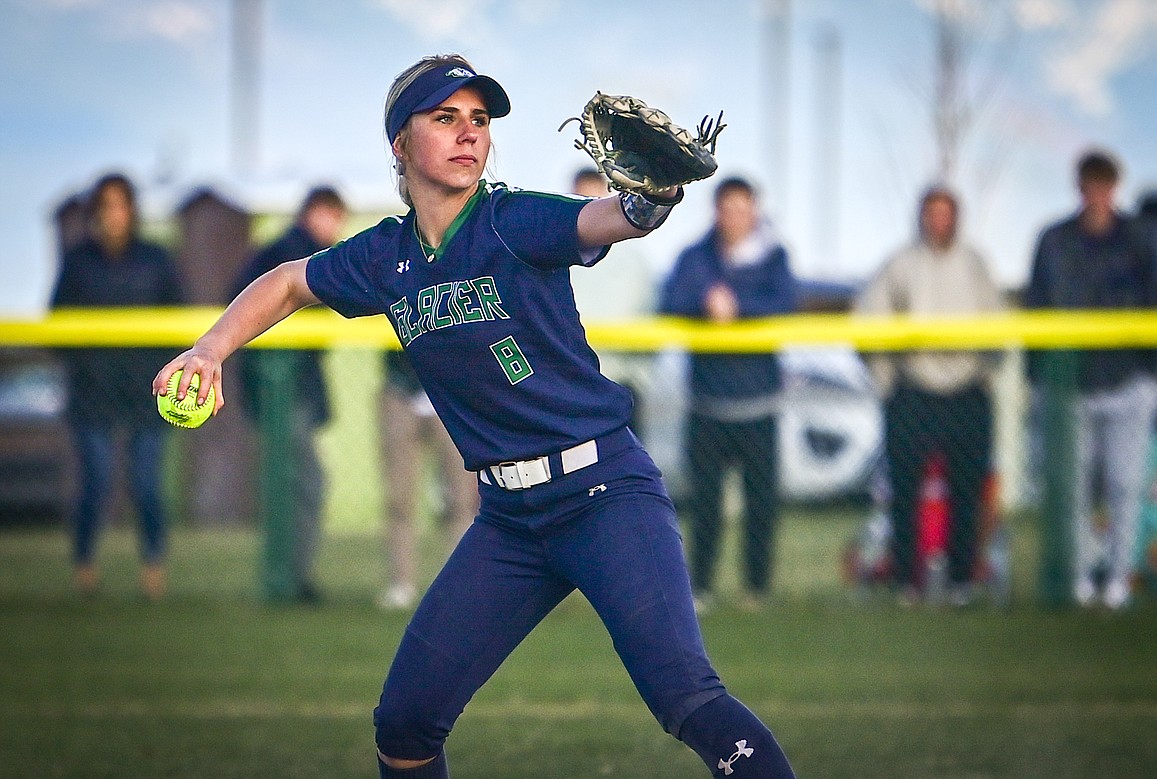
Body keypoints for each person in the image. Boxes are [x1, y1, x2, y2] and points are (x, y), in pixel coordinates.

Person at [154, 54, 796, 779]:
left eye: (480, 120)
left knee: (686, 697)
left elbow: (612, 217)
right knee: (404, 723)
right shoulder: (386, 257)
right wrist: (210, 348)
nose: (469, 134)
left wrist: (656, 197)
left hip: (604, 493)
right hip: (510, 520)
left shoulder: (514, 218)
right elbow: (288, 280)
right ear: (400, 145)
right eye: (445, 118)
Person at [1024, 148, 1157, 610]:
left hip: (1129, 380)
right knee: (1075, 487)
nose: (1098, 196)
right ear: (1079, 188)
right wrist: (1037, 376)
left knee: (1126, 485)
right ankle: (1082, 577)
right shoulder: (1055, 240)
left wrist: (1155, 376)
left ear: (1115, 188)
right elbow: (1037, 307)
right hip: (1072, 384)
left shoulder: (1141, 238)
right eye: (1090, 187)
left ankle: (1120, 579)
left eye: (1105, 187)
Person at [853, 185, 1004, 607]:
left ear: (957, 217)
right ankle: (906, 583)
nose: (938, 220)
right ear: (920, 216)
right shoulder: (900, 263)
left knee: (968, 492)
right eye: (931, 212)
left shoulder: (976, 264)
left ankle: (961, 583)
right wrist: (886, 381)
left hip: (966, 392)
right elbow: (868, 321)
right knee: (903, 492)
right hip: (913, 391)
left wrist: (984, 375)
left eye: (946, 212)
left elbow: (998, 325)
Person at [659, 177, 797, 611]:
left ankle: (757, 589)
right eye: (728, 207)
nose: (735, 216)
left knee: (761, 504)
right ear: (715, 211)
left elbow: (786, 301)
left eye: (744, 208)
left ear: (755, 211)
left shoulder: (774, 257)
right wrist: (707, 301)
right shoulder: (695, 257)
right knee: (705, 506)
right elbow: (670, 299)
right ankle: (699, 588)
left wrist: (737, 306)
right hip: (707, 403)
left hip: (759, 403)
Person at [52, 172, 183, 600]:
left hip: (147, 392)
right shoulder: (78, 261)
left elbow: (180, 325)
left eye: (121, 204)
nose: (113, 214)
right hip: (93, 394)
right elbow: (55, 323)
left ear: (132, 210)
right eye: (105, 205)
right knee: (96, 483)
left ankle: (154, 570)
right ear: (95, 212)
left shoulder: (155, 259)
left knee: (146, 485)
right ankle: (85, 568)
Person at [231, 186, 348, 603]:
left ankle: (290, 576)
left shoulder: (306, 256)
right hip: (281, 388)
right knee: (302, 484)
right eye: (329, 215)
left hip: (292, 389)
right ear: (311, 214)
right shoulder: (287, 256)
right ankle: (289, 578)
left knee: (294, 484)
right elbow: (246, 307)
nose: (334, 226)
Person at [378, 350, 477, 610]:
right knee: (399, 498)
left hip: (452, 389)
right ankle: (402, 583)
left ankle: (462, 585)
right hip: (402, 388)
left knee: (462, 499)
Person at [567, 167, 657, 436]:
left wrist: (639, 379)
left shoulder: (636, 261)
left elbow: (649, 322)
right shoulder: (552, 258)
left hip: (620, 385)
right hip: (569, 386)